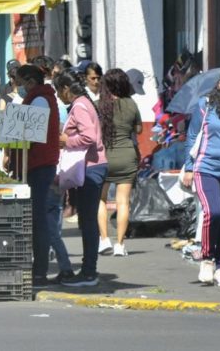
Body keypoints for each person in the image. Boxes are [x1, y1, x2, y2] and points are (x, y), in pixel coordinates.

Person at [53, 69, 107, 287]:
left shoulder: (80, 105)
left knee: (88, 221)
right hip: (92, 166)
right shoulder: (84, 102)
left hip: (91, 168)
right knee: (87, 220)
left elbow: (88, 137)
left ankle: (88, 272)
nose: (57, 95)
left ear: (66, 89)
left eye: (58, 90)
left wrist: (66, 140)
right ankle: (88, 269)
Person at [182, 66, 220, 287]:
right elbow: (192, 136)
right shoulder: (206, 105)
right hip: (207, 168)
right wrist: (190, 167)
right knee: (213, 212)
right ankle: (207, 258)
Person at [15, 64, 60, 288]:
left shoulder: (40, 100)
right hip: (35, 163)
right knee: (35, 216)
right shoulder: (38, 98)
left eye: (20, 82)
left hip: (39, 164)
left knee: (38, 217)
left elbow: (32, 134)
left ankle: (40, 271)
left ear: (30, 82)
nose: (19, 87)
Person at [97, 69, 142, 257]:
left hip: (103, 157)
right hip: (126, 156)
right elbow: (138, 130)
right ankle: (120, 244)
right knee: (123, 202)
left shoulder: (98, 105)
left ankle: (104, 240)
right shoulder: (131, 104)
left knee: (101, 199)